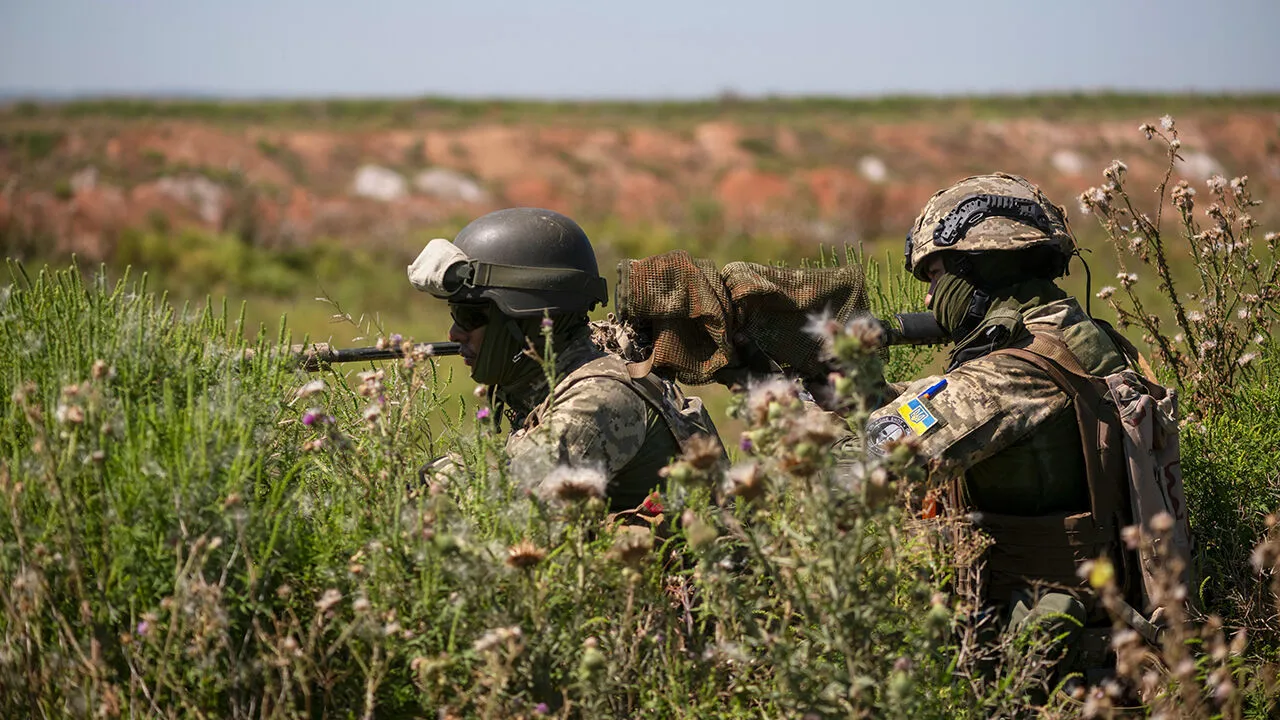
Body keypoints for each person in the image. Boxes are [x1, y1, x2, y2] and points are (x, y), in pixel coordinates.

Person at [863, 173, 1144, 690]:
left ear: (974, 271)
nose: (930, 303)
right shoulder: (1081, 339)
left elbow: (874, 454)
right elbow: (943, 403)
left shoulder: (1015, 371)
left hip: (1045, 662)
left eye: (937, 277)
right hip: (1093, 638)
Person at [407, 207, 722, 512]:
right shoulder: (570, 362)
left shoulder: (597, 399)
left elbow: (508, 512)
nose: (453, 334)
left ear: (526, 320)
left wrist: (432, 478)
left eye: (469, 315)